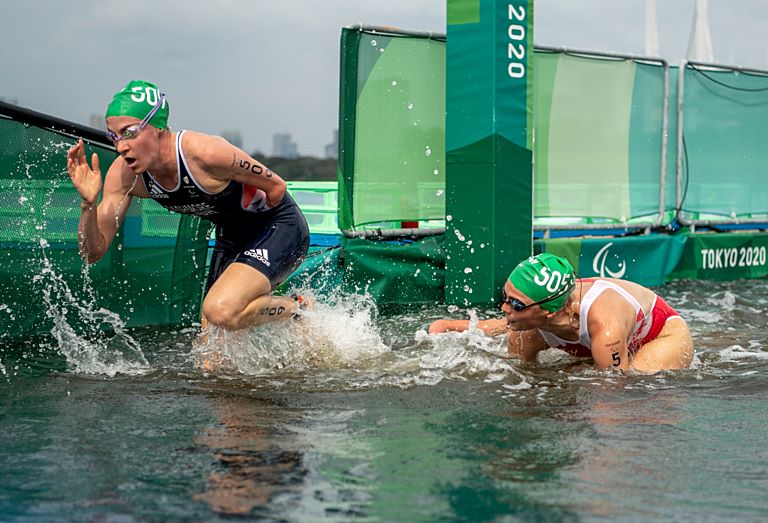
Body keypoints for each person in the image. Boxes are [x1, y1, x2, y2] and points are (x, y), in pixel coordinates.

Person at [66, 80, 310, 333]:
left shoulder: (205, 154)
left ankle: (297, 309)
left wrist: (260, 264)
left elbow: (277, 187)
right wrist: (88, 204)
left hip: (278, 228)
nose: (121, 146)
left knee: (220, 311)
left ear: (158, 127)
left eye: (129, 132)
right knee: (210, 360)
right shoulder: (125, 176)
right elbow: (92, 253)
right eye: (113, 136)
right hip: (233, 238)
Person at [429, 253, 694, 373]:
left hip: (660, 336)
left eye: (516, 305)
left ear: (546, 311)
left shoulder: (605, 327)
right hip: (595, 339)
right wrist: (446, 325)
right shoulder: (527, 330)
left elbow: (615, 398)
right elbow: (517, 371)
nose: (504, 308)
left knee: (638, 385)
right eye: (504, 298)